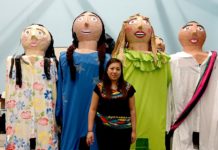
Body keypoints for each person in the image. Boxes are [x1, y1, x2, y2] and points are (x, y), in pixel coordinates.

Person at [112, 14, 171, 150]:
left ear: (151, 31)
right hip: (125, 121)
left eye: (145, 22)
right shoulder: (119, 59)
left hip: (156, 121)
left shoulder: (163, 61)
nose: (139, 26)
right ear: (124, 30)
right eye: (133, 22)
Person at [55, 11, 110, 150]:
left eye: (92, 19)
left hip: (98, 114)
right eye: (81, 19)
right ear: (73, 29)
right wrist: (58, 115)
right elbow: (60, 87)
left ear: (101, 30)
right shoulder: (63, 58)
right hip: (71, 111)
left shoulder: (107, 60)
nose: (86, 23)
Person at [5, 24, 58, 149]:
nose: (33, 35)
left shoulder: (50, 63)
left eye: (39, 33)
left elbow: (54, 94)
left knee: (46, 140)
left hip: (45, 112)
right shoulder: (12, 62)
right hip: (18, 111)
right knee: (18, 138)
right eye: (28, 32)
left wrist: (56, 119)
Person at [166, 21, 218, 150]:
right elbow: (166, 94)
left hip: (211, 123)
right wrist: (167, 125)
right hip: (182, 123)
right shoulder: (172, 61)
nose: (194, 32)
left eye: (200, 28)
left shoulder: (215, 60)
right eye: (188, 28)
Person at [86, 58, 136, 150]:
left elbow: (132, 110)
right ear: (107, 70)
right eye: (112, 68)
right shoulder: (99, 87)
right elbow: (92, 109)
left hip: (124, 132)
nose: (114, 71)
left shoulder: (128, 88)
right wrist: (90, 131)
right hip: (104, 131)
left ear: (121, 71)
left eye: (118, 69)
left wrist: (133, 131)